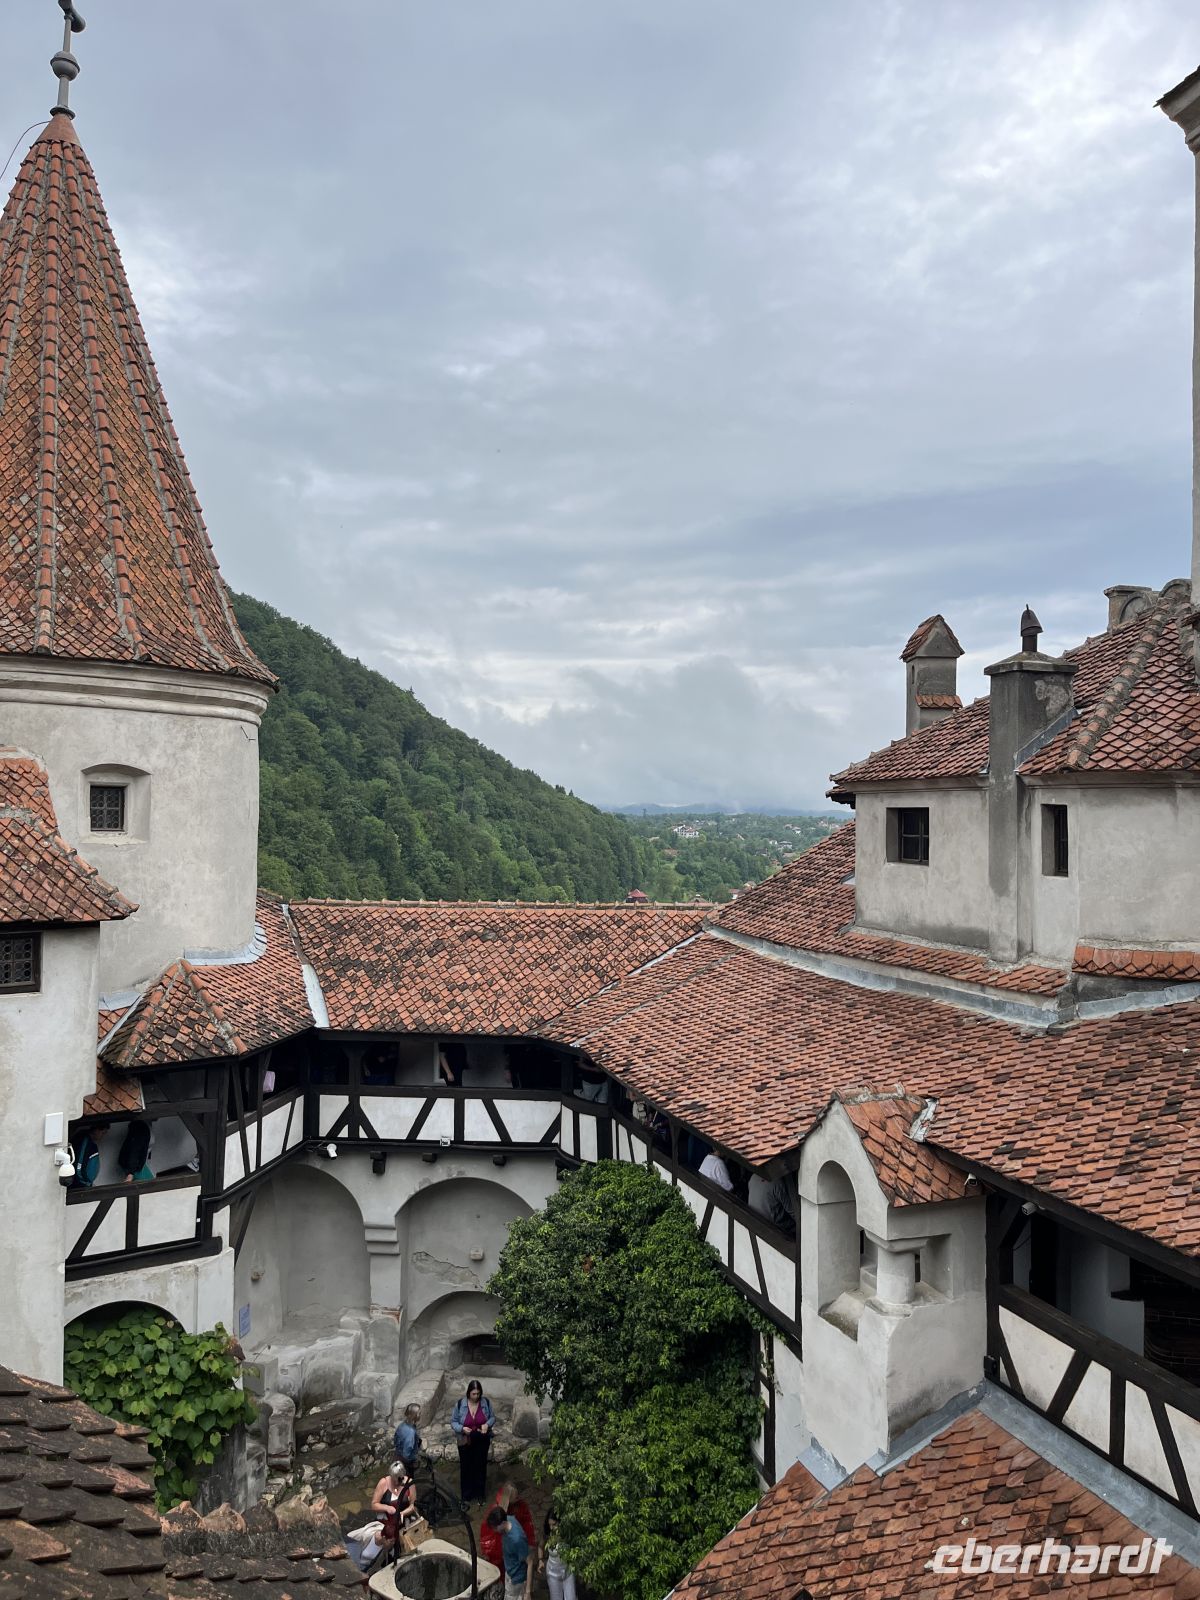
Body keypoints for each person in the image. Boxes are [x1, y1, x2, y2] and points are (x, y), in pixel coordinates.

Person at [450, 1379, 493, 1505]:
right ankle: (466, 1495)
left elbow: (492, 1417)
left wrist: (487, 1424)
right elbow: (453, 1422)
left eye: (478, 1394)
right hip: (465, 1440)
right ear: (468, 1393)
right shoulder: (460, 1405)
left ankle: (480, 1494)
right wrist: (462, 1428)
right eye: (474, 1394)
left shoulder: (485, 1403)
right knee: (466, 1467)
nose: (476, 1396)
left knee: (480, 1466)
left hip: (481, 1439)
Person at [480, 1481, 536, 1572]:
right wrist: (487, 1551)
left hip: (513, 1551)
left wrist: (530, 1542)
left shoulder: (520, 1507)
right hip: (499, 1553)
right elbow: (487, 1533)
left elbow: (527, 1524)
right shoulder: (495, 1512)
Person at [486, 1505, 532, 1600]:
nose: (494, 1530)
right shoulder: (509, 1518)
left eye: (495, 1527)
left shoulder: (517, 1539)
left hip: (517, 1578)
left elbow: (530, 1562)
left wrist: (528, 1591)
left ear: (503, 1523)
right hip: (510, 1570)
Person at [538, 1507, 577, 1600]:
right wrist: (540, 1560)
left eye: (554, 1524)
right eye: (550, 1525)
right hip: (552, 1573)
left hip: (568, 1571)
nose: (551, 1528)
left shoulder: (568, 1533)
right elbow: (540, 1547)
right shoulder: (547, 1533)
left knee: (571, 1598)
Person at [748, 1171, 796, 1235]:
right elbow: (793, 1213)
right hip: (771, 1228)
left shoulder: (754, 1176)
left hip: (754, 1220)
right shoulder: (777, 1183)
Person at [393, 1402, 422, 1476]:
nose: (420, 1415)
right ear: (414, 1415)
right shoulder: (410, 1433)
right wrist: (415, 1459)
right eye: (419, 1413)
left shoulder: (402, 1425)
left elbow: (395, 1440)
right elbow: (407, 1454)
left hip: (398, 1455)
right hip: (405, 1463)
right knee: (407, 1480)